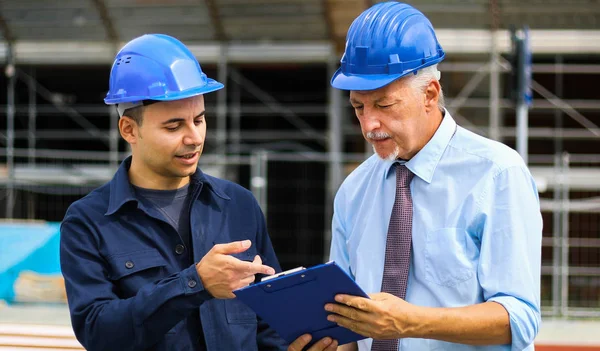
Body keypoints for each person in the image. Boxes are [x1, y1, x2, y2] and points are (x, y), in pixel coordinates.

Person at [319, 2, 543, 351]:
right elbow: (347, 319)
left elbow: (519, 318)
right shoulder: (354, 190)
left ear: (430, 94)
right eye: (358, 107)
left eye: (383, 105)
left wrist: (409, 323)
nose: (368, 126)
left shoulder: (498, 174)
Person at [59, 34, 289, 351]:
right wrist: (194, 284)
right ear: (129, 130)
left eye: (199, 119)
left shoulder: (237, 205)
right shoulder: (89, 222)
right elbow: (98, 332)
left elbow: (270, 322)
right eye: (174, 126)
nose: (194, 137)